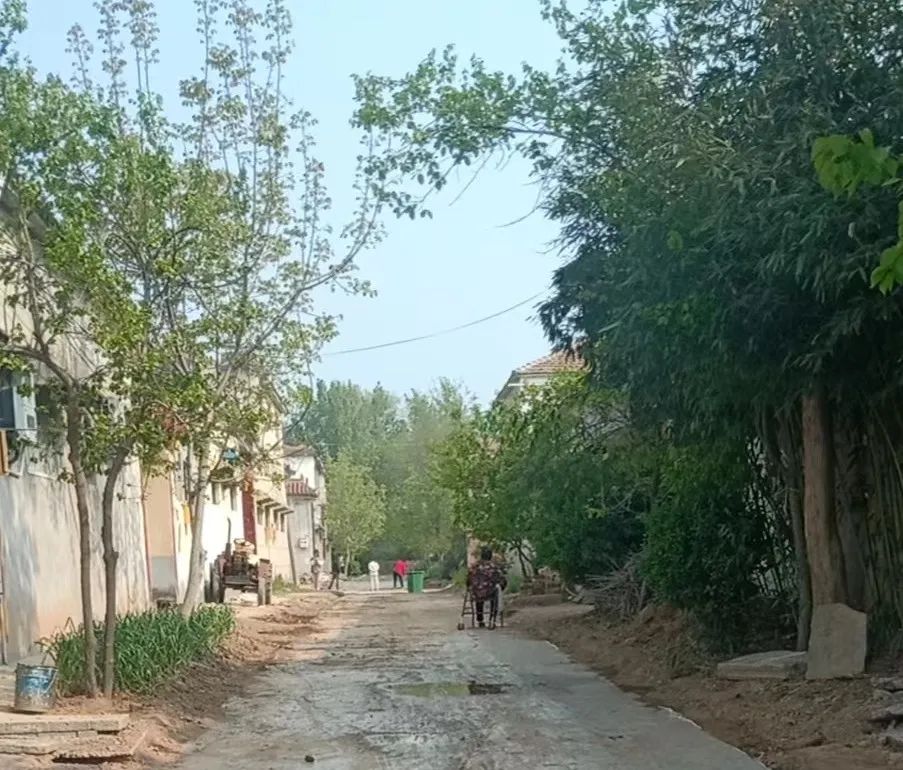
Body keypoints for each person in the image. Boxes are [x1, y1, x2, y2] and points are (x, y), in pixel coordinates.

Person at [467, 547, 507, 628]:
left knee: (479, 592)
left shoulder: (474, 566)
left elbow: (468, 581)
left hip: (476, 593)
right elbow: (501, 580)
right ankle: (492, 619)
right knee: (496, 591)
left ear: (481, 555)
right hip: (489, 592)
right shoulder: (493, 567)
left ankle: (480, 620)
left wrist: (471, 587)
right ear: (491, 556)